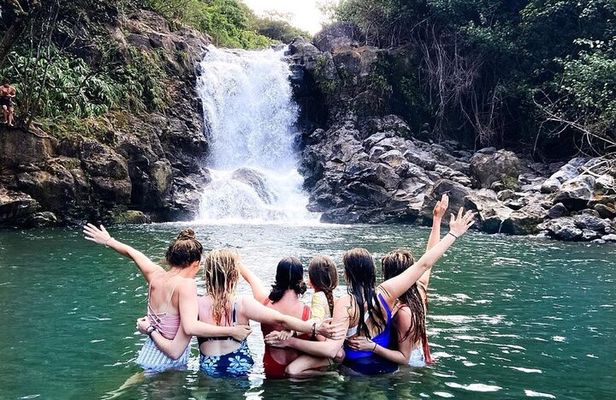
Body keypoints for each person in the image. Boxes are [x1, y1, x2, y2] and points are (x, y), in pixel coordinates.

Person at [264, 207, 475, 377]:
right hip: (387, 370)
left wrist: (290, 341)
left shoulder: (345, 303)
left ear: (347, 273)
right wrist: (453, 233)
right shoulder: (386, 293)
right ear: (372, 271)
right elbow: (423, 265)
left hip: (357, 372)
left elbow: (331, 351)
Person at [139, 249, 344, 378]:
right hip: (240, 366)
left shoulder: (196, 303)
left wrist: (150, 328)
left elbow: (179, 341)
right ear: (233, 275)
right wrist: (314, 326)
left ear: (208, 274)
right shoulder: (243, 303)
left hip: (209, 368)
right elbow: (280, 319)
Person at [83, 225, 251, 373]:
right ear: (196, 263)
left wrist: (109, 240)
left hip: (148, 354)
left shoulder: (155, 275)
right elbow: (190, 328)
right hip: (168, 363)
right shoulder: (186, 285)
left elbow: (133, 253)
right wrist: (232, 330)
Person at [346, 194, 450, 367]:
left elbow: (404, 358)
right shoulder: (419, 289)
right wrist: (437, 220)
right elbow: (429, 257)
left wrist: (372, 346)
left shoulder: (402, 311)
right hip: (418, 357)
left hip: (408, 365)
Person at [239, 256, 330, 379]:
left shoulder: (264, 303)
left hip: (271, 367)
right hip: (299, 372)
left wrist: (235, 261)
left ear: (277, 277)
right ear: (301, 280)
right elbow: (326, 346)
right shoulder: (309, 314)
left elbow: (250, 277)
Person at [307, 255, 338, 322]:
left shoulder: (317, 296)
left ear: (313, 278)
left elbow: (315, 321)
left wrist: (295, 330)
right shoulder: (333, 297)